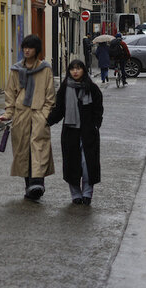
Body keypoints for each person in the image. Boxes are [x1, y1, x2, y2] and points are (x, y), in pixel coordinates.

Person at [0, 34, 55, 201]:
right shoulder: (16, 70)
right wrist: (8, 114)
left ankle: (38, 183)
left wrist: (45, 114)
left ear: (36, 50)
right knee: (23, 149)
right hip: (21, 114)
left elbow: (50, 95)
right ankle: (29, 184)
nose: (26, 50)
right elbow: (10, 93)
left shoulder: (45, 69)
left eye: (30, 47)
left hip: (39, 113)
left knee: (39, 147)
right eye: (24, 47)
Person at [47, 59, 103, 205]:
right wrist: (46, 122)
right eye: (72, 69)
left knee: (87, 165)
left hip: (88, 133)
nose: (75, 72)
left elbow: (98, 109)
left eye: (78, 68)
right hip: (70, 133)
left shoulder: (92, 88)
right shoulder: (65, 88)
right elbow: (58, 110)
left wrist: (96, 125)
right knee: (72, 164)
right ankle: (75, 194)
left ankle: (87, 193)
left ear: (83, 70)